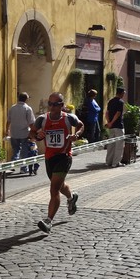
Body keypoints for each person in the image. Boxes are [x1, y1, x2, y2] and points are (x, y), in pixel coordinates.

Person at [31, 92, 84, 234]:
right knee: (60, 187)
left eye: (55, 104)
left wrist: (76, 135)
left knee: (53, 190)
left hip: (64, 157)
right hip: (49, 158)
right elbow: (32, 133)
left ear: (61, 105)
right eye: (50, 103)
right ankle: (72, 198)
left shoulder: (69, 118)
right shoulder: (42, 119)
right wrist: (37, 136)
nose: (52, 107)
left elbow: (81, 125)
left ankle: (48, 221)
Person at [5, 92, 35, 173]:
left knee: (16, 150)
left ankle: (12, 165)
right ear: (26, 99)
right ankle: (23, 168)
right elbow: (31, 123)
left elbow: (8, 121)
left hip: (14, 133)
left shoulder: (12, 108)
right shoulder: (28, 109)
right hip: (24, 133)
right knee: (24, 152)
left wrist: (7, 130)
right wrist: (34, 132)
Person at [105, 87, 125, 168]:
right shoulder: (120, 102)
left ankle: (108, 162)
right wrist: (112, 122)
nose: (124, 95)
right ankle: (115, 163)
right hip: (118, 125)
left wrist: (109, 123)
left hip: (111, 127)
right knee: (119, 145)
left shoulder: (110, 101)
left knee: (111, 144)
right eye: (123, 93)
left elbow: (107, 113)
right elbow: (118, 113)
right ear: (121, 93)